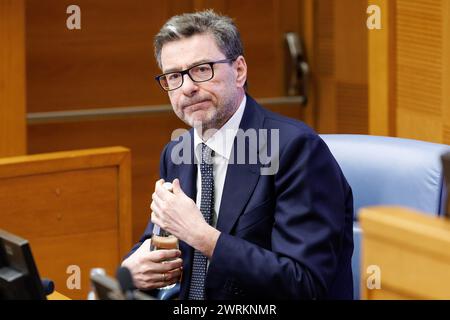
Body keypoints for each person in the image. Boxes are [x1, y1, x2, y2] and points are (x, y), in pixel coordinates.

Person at [122, 10, 354, 300]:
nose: (188, 88)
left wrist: (203, 237)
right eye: (174, 77)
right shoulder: (177, 153)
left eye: (202, 69)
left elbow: (304, 283)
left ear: (239, 71)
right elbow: (156, 243)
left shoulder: (295, 150)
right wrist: (131, 271)